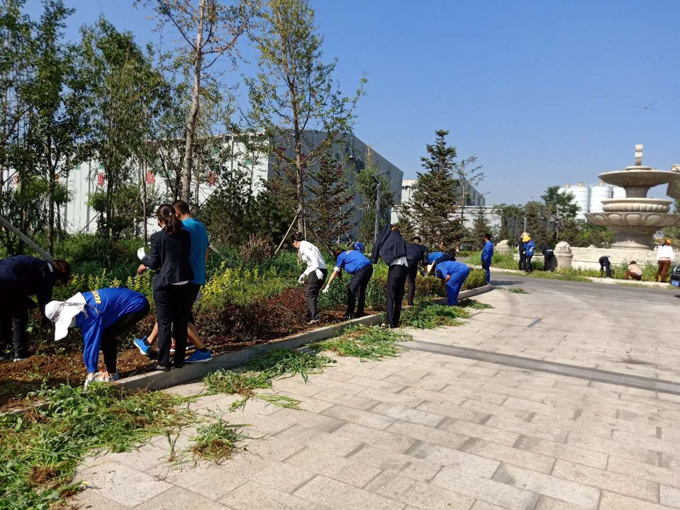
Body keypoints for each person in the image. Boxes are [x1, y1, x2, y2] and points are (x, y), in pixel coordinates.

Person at [135, 200, 212, 363]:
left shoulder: (184, 229)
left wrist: (148, 265)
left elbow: (169, 255)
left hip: (182, 279)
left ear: (176, 213)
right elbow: (206, 251)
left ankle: (202, 350)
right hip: (196, 276)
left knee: (178, 318)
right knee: (173, 315)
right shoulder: (200, 226)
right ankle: (158, 343)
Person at [45, 288, 150, 387]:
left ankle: (112, 374)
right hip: (132, 298)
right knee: (106, 334)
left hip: (137, 305)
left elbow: (91, 342)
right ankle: (111, 371)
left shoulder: (89, 311)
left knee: (107, 336)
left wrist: (92, 372)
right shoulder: (79, 304)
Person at [137, 204, 194, 372]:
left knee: (164, 323)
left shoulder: (157, 237)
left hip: (165, 285)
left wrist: (143, 258)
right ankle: (179, 360)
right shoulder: (185, 235)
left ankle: (163, 362)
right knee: (181, 323)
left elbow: (154, 263)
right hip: (184, 282)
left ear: (160, 220)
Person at [0, 255, 70, 361]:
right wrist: (50, 321)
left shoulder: (39, 264)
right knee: (20, 316)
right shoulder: (51, 272)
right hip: (11, 280)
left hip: (4, 278)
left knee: (4, 315)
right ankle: (20, 354)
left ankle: (3, 352)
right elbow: (44, 301)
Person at [372, 224, 408, 328]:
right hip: (405, 266)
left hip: (395, 267)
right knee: (398, 296)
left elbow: (378, 243)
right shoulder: (399, 238)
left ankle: (389, 321)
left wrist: (374, 259)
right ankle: (396, 322)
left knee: (390, 295)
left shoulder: (388, 236)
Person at [323, 247, 373, 319]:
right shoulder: (350, 252)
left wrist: (327, 285)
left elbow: (335, 272)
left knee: (351, 289)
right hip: (369, 267)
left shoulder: (340, 256)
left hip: (361, 268)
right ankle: (360, 311)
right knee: (361, 290)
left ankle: (349, 313)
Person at [291, 232, 327, 325]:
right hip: (322, 270)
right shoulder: (309, 245)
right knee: (312, 294)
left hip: (317, 271)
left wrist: (317, 270)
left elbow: (313, 258)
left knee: (310, 294)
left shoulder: (303, 247)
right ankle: (309, 315)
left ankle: (314, 317)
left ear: (294, 242)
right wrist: (304, 274)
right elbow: (311, 264)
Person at [406, 236, 428, 306]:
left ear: (412, 241)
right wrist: (425, 273)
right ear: (420, 242)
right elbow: (425, 261)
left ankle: (397, 301)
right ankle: (410, 303)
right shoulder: (423, 248)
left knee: (400, 281)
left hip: (403, 262)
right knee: (411, 282)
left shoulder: (407, 246)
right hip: (413, 262)